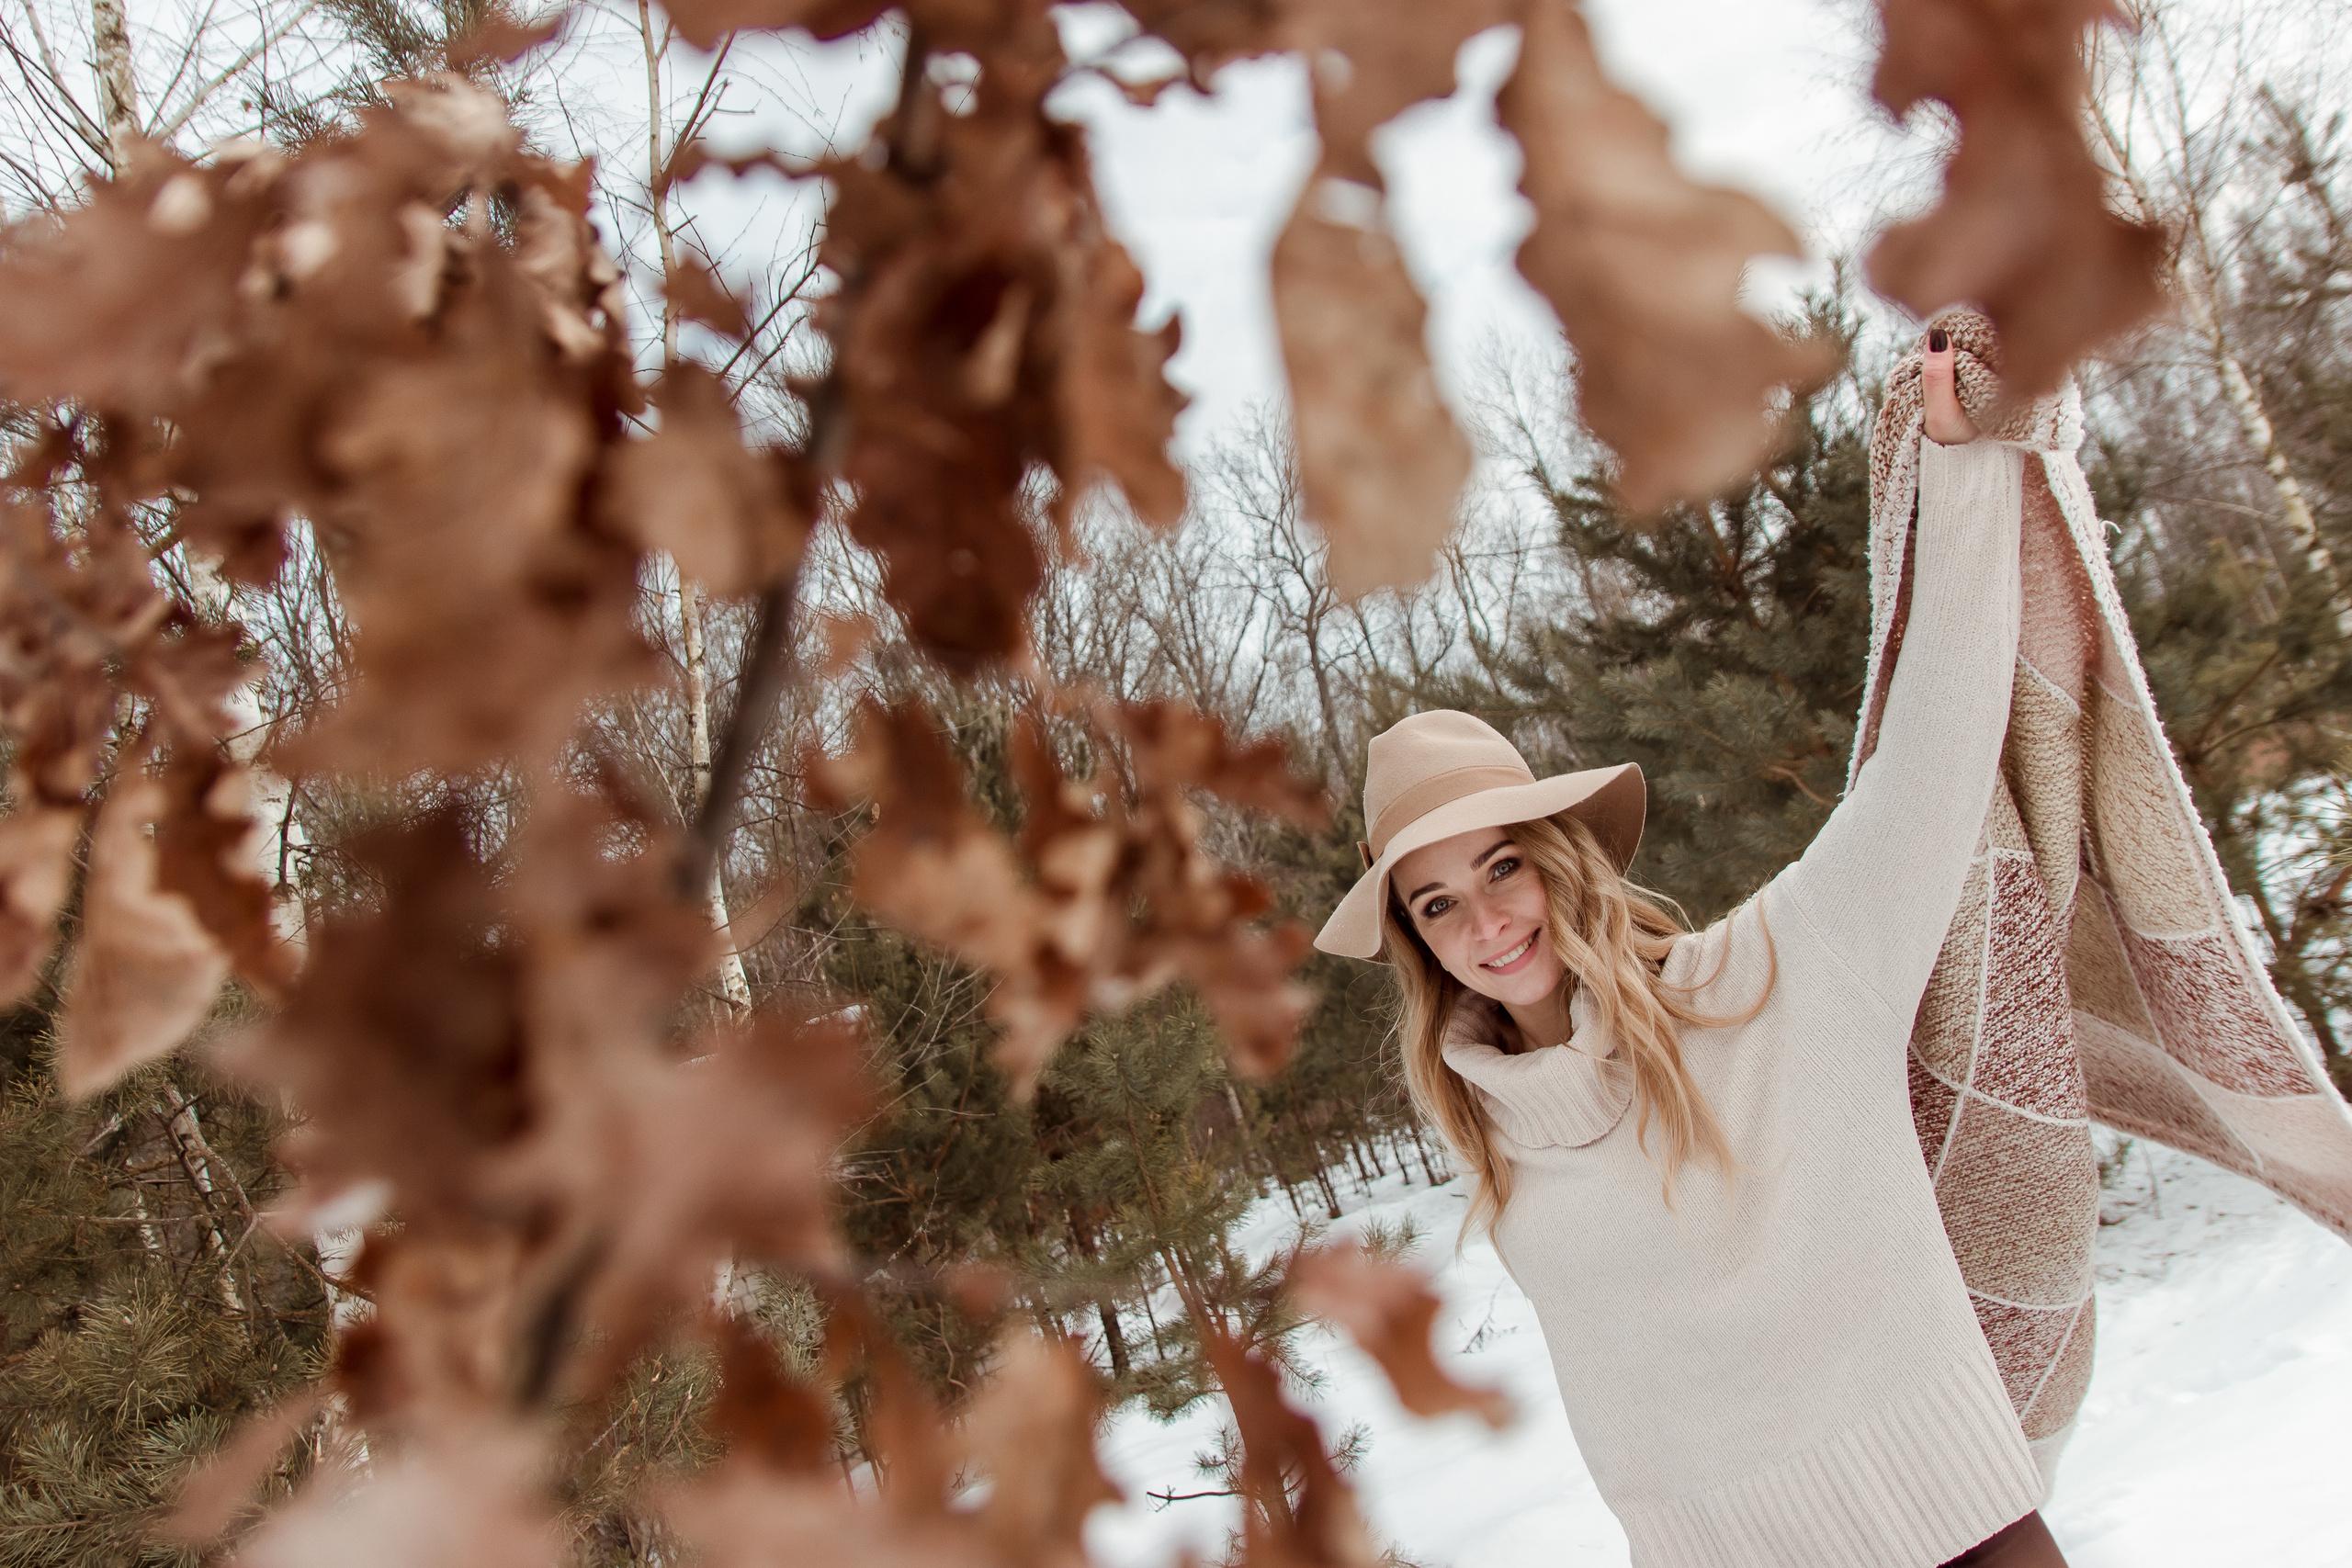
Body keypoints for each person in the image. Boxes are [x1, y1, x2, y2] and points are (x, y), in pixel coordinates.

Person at [1313, 333, 2069, 1568]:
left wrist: (1963, 473)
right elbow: (1642, 1425)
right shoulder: (1497, 1150)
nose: (1487, 923)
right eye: (1438, 904)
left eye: (1503, 866)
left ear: (1560, 857)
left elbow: (1934, 751)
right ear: (1416, 943)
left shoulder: (1782, 974)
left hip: (1966, 1529)